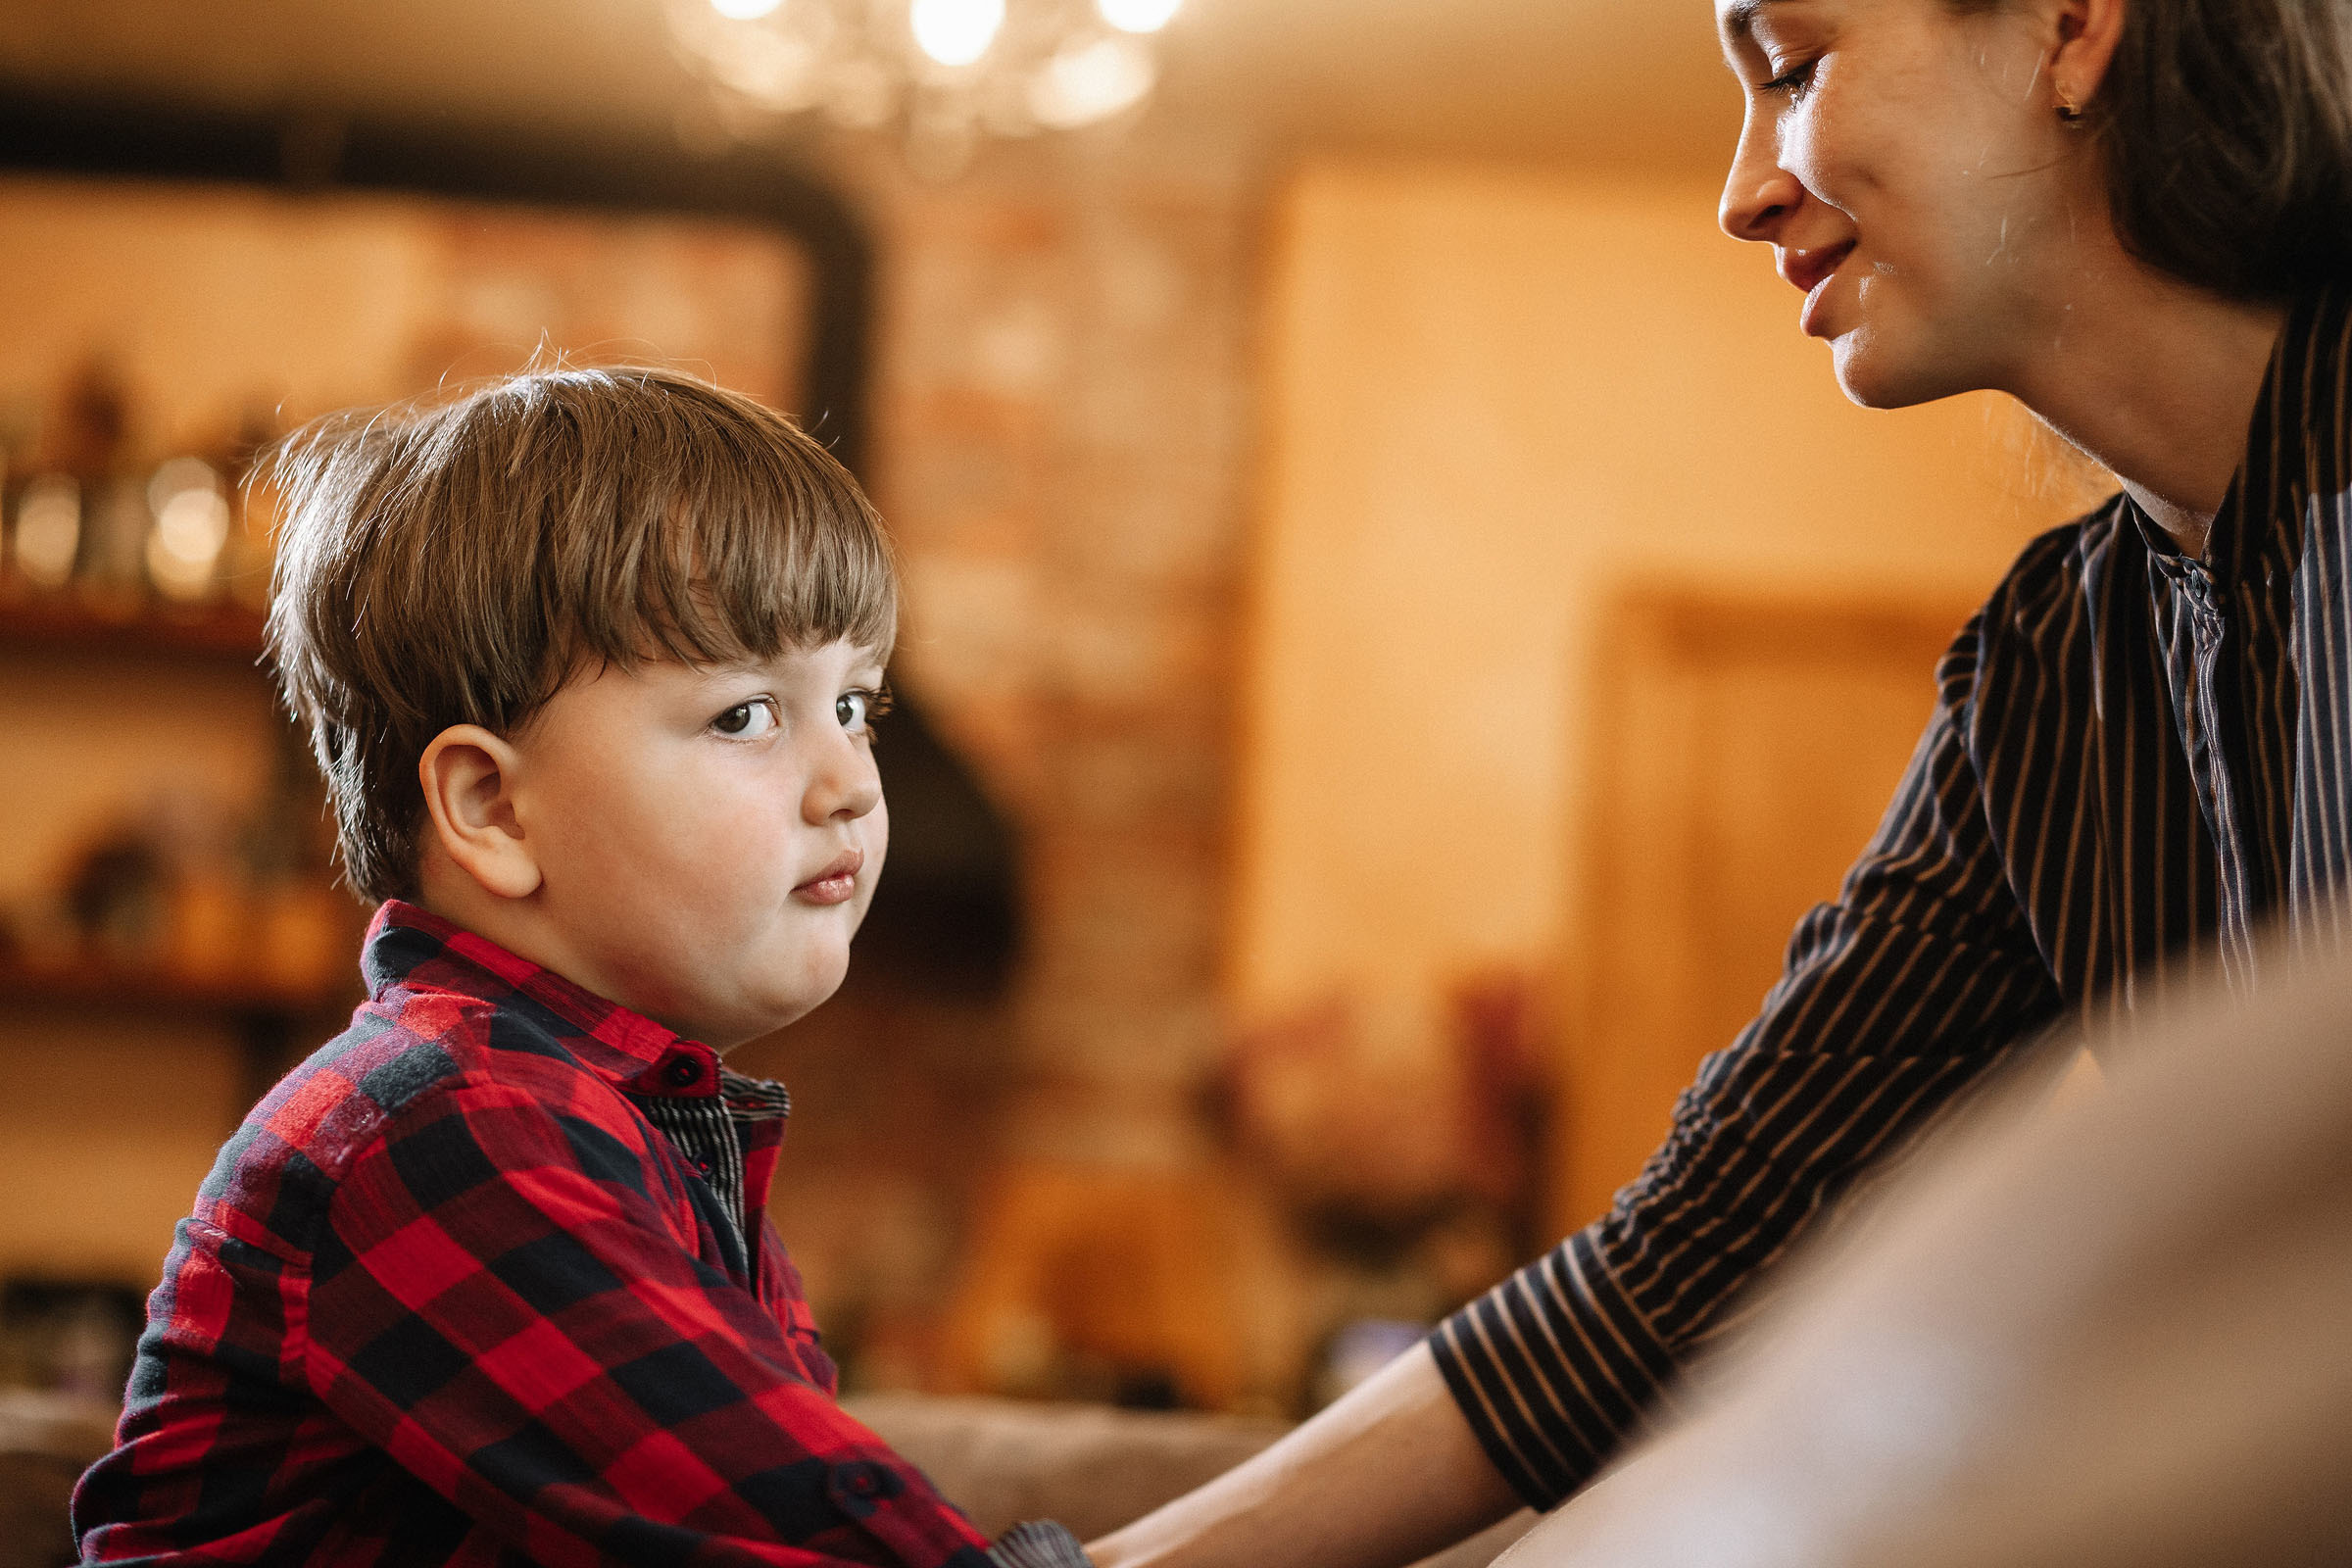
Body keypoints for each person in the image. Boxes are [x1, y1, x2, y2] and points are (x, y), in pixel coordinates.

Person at [1087, 0, 2352, 1564]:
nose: (1743, 188)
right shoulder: (2053, 670)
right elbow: (1682, 1268)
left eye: (1797, 67)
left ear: (2074, 27)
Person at [71, 368, 1089, 1568]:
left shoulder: (630, 1132)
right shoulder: (445, 1133)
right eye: (747, 716)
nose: (854, 785)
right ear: (494, 806)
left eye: (854, 706)